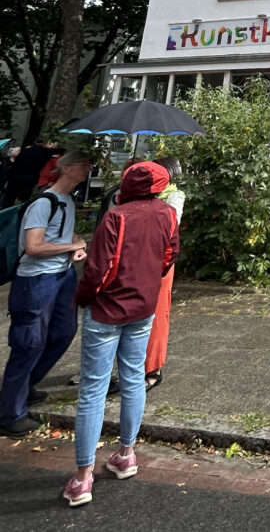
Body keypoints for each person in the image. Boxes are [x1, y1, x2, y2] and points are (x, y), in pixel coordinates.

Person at [63, 161, 179, 507]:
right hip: (143, 309)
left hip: (107, 311)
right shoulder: (167, 215)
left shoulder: (117, 217)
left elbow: (98, 269)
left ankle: (83, 478)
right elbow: (168, 257)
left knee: (93, 389)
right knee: (132, 379)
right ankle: (126, 454)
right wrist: (145, 284)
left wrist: (82, 298)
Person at [0, 150, 91, 438]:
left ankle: (26, 385)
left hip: (62, 275)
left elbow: (66, 235)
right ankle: (9, 412)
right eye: (83, 165)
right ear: (66, 169)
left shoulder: (69, 200)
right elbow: (34, 247)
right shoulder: (43, 203)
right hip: (36, 280)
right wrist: (68, 247)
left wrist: (77, 243)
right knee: (29, 341)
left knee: (64, 331)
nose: (88, 169)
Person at [144, 156, 185, 391]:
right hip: (134, 264)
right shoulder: (125, 200)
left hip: (159, 261)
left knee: (158, 312)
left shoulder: (173, 197)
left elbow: (170, 229)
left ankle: (152, 367)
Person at [1, 140, 63, 208]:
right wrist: (52, 147)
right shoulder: (44, 152)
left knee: (9, 199)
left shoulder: (25, 151)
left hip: (16, 178)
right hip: (31, 179)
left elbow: (14, 167)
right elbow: (61, 150)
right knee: (24, 200)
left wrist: (8, 178)